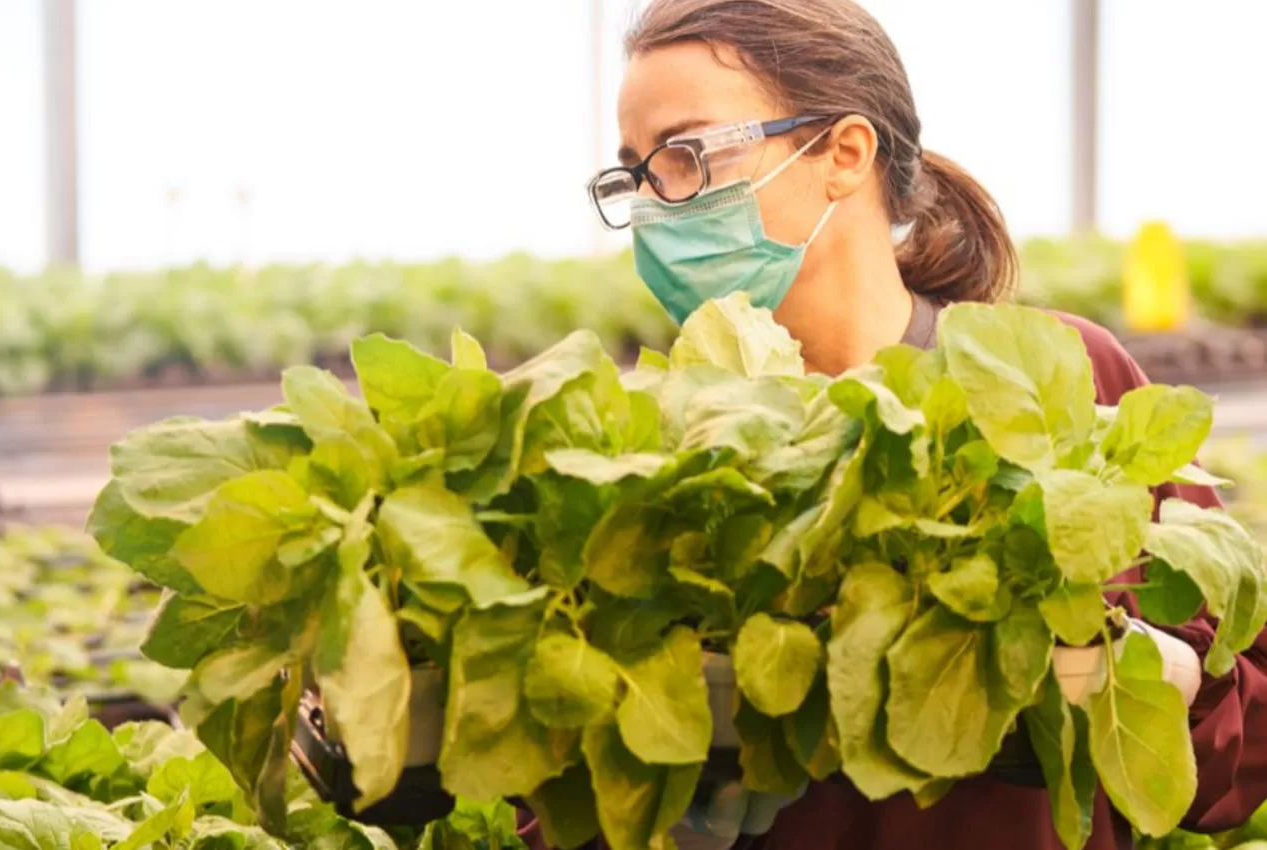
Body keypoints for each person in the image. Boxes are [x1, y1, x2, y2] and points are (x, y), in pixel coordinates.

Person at [518, 0, 1267, 848]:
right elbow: (531, 787)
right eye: (636, 173)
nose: (657, 204)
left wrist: (1160, 679)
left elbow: (1237, 748)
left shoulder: (1057, 379)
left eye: (686, 156)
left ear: (843, 153)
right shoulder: (646, 452)